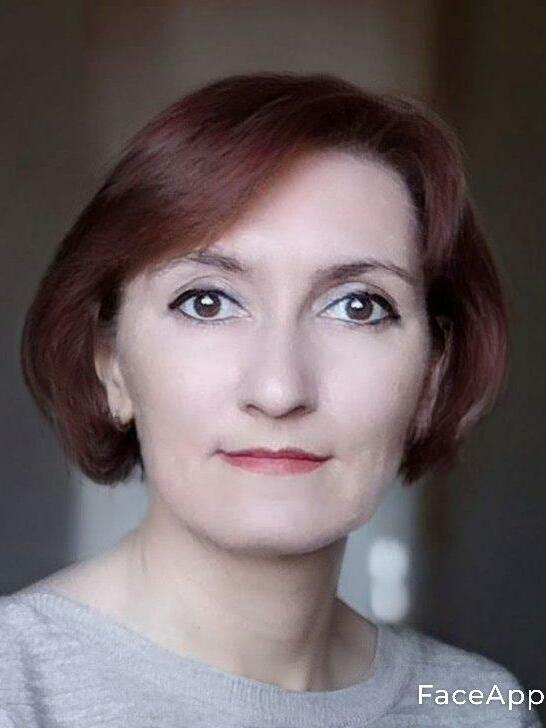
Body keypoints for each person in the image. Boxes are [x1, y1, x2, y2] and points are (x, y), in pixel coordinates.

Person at [0, 73, 542, 727]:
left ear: (432, 376)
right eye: (207, 302)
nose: (280, 390)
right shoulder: (17, 689)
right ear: (111, 365)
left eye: (358, 306)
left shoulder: (484, 706)